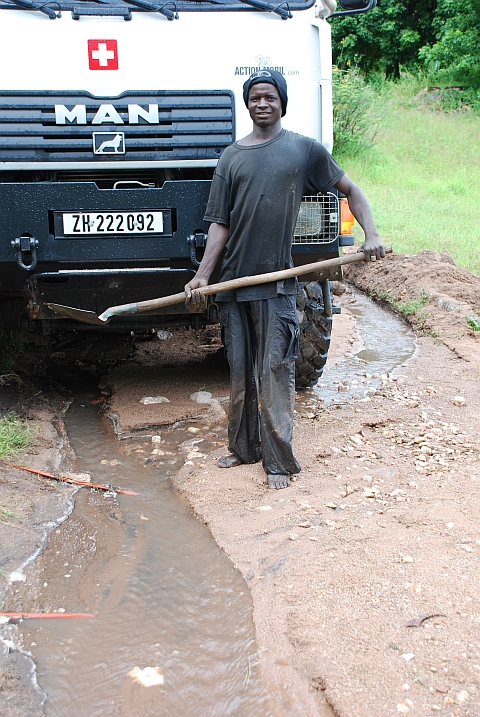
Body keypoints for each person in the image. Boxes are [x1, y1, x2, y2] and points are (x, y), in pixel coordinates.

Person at [185, 69, 385, 490]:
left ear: (282, 102)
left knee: (275, 371)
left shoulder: (303, 150)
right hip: (233, 286)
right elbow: (219, 225)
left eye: (270, 97)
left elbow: (351, 189)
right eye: (255, 97)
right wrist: (202, 278)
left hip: (277, 285)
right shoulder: (231, 157)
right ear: (247, 103)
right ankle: (244, 450)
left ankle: (279, 463)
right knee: (241, 373)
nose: (262, 103)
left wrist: (373, 234)